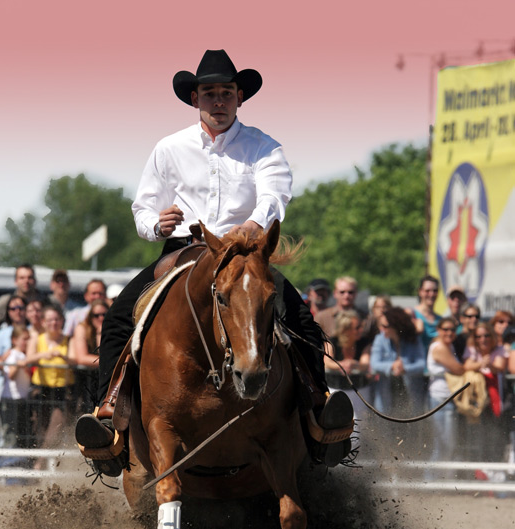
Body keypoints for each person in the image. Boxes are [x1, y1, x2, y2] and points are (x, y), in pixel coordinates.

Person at [75, 49, 353, 476]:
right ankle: (110, 417)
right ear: (195, 99)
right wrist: (157, 225)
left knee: (300, 318)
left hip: (245, 253)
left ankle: (318, 414)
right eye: (209, 93)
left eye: (226, 92)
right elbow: (142, 209)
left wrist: (251, 230)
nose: (218, 101)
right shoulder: (169, 148)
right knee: (116, 318)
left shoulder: (264, 146)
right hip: (184, 250)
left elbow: (274, 197)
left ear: (239, 97)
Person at [27, 305, 75, 467]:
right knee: (39, 427)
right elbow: (28, 359)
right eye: (50, 320)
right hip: (41, 389)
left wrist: (63, 356)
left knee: (56, 426)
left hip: (62, 390)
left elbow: (76, 359)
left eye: (56, 319)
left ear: (61, 321)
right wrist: (44, 355)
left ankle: (40, 462)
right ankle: (38, 461)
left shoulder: (68, 339)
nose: (53, 323)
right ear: (44, 322)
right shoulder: (37, 339)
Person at [463, 320, 507, 466]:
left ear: (492, 336)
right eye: (479, 336)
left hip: (495, 399)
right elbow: (467, 366)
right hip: (477, 402)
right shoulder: (472, 351)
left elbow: (499, 366)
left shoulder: (499, 350)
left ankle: (495, 473)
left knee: (495, 437)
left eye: (486, 335)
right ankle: (479, 472)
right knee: (478, 438)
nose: (483, 339)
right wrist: (481, 364)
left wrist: (487, 364)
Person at [370, 306, 426, 415]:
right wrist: (392, 366)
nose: (382, 329)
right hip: (386, 395)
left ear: (396, 326)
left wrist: (405, 368)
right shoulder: (379, 339)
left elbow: (421, 364)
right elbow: (374, 364)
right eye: (381, 325)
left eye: (385, 326)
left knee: (411, 428)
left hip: (411, 395)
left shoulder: (413, 339)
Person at [426, 318, 465, 466]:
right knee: (443, 444)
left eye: (452, 330)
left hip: (447, 398)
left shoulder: (449, 346)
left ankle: (441, 479)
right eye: (446, 329)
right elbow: (458, 369)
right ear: (439, 330)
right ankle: (431, 480)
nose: (449, 333)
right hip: (440, 399)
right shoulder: (440, 347)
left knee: (448, 445)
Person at [70, 300, 109, 412]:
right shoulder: (82, 328)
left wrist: (101, 334)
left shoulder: (112, 329)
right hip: (85, 383)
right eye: (96, 315)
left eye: (104, 314)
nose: (101, 318)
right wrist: (108, 362)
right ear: (90, 316)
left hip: (104, 382)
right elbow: (82, 358)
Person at [0, 264, 43, 335]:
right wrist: (4, 340)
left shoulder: (44, 300)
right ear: (16, 281)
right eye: (22, 278)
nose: (26, 281)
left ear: (35, 280)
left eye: (29, 277)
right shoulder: (6, 301)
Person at [315, 276, 366, 340]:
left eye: (350, 292)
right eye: (342, 292)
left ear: (356, 293)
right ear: (335, 293)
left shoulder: (365, 318)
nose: (346, 295)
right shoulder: (322, 317)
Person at [408, 275, 442, 354]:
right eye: (427, 291)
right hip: (417, 364)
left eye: (435, 291)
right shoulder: (412, 314)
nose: (431, 294)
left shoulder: (441, 320)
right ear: (420, 291)